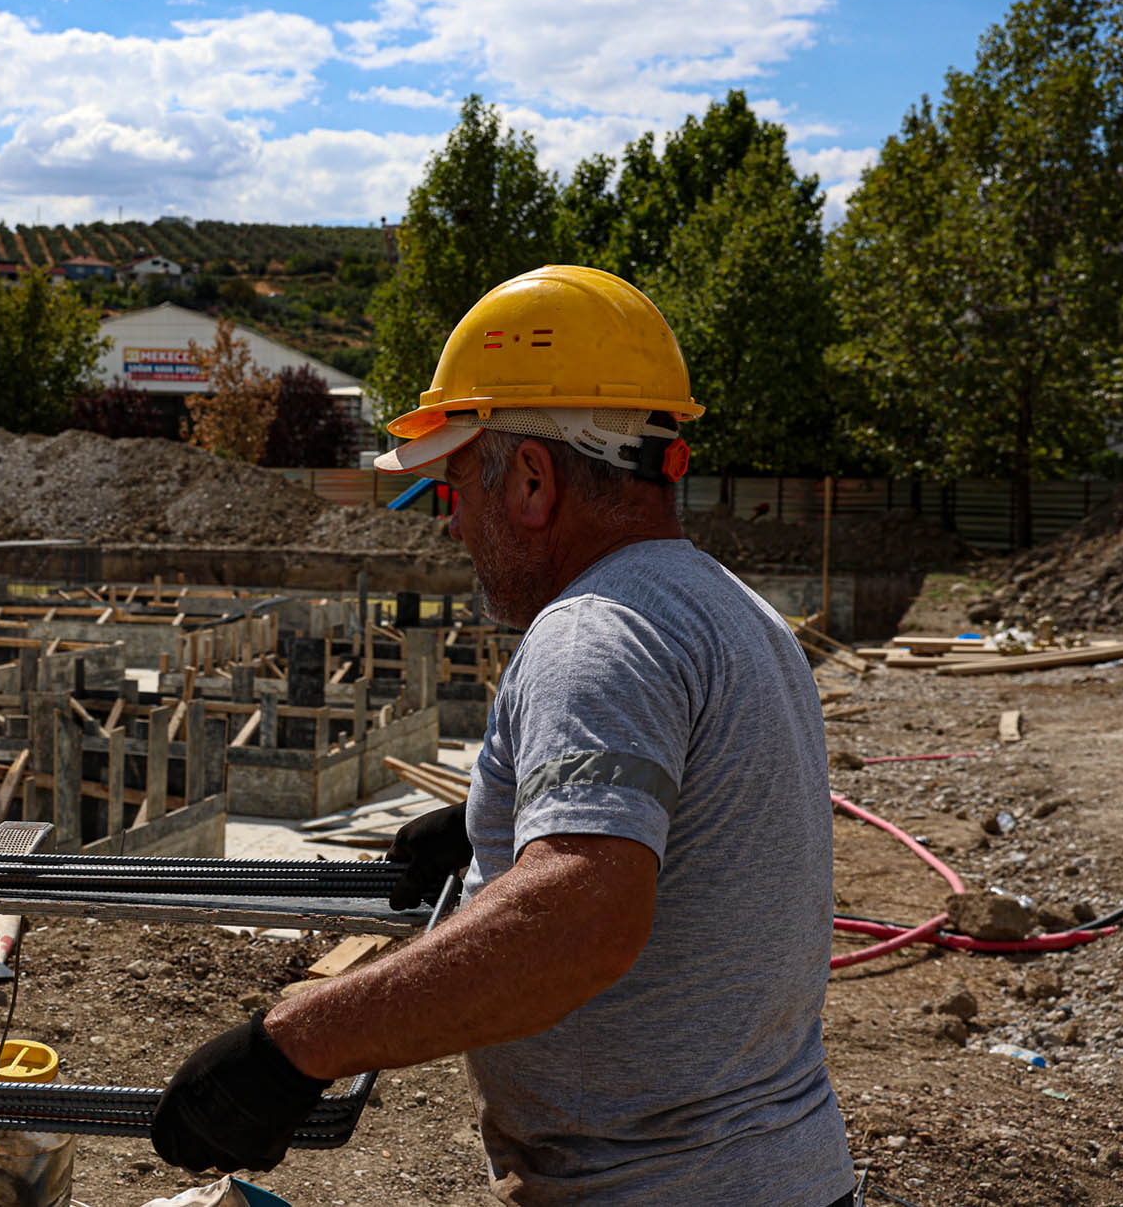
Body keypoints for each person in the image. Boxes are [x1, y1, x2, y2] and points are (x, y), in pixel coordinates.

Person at [151, 265, 854, 1205]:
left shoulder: (595, 631)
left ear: (530, 477)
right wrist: (503, 836)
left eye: (455, 491)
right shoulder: (734, 612)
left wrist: (292, 1047)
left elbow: (581, 920)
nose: (454, 529)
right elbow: (685, 840)